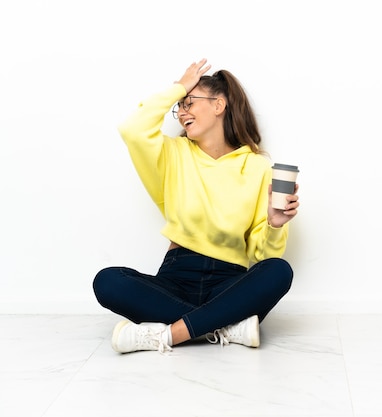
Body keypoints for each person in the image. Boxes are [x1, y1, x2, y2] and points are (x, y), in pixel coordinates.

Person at [93, 58, 299, 354]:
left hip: (229, 281)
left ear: (219, 104)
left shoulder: (257, 167)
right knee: (108, 281)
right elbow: (132, 128)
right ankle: (225, 326)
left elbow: (262, 254)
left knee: (278, 271)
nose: (181, 112)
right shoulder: (172, 154)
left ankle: (168, 335)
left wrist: (275, 225)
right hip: (177, 277)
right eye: (180, 105)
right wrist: (180, 87)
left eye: (189, 102)